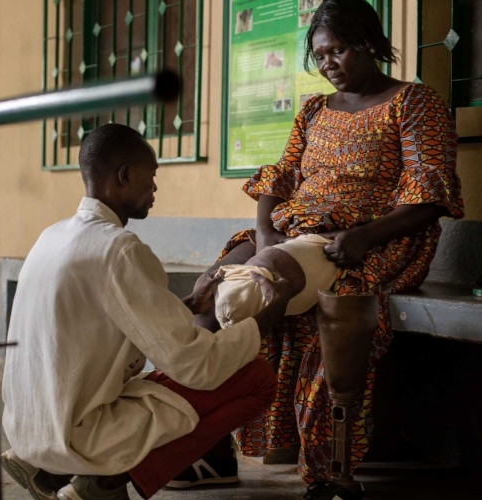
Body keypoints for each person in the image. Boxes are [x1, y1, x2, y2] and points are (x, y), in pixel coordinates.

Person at [194, 0, 464, 499]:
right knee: (208, 298)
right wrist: (265, 231)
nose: (328, 64)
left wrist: (364, 236)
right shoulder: (314, 110)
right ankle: (201, 441)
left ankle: (328, 467)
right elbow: (281, 176)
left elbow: (430, 196)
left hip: (370, 240)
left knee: (259, 291)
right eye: (320, 56)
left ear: (369, 43)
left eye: (337, 50)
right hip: (290, 230)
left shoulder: (413, 102)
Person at [0, 123, 297, 500]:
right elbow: (194, 366)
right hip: (76, 433)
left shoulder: (53, 235)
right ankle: (103, 482)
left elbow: (106, 315)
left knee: (165, 378)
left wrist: (187, 305)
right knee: (256, 378)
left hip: (27, 428)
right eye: (151, 176)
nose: (155, 188)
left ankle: (49, 468)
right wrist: (268, 315)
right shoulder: (120, 249)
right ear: (124, 175)